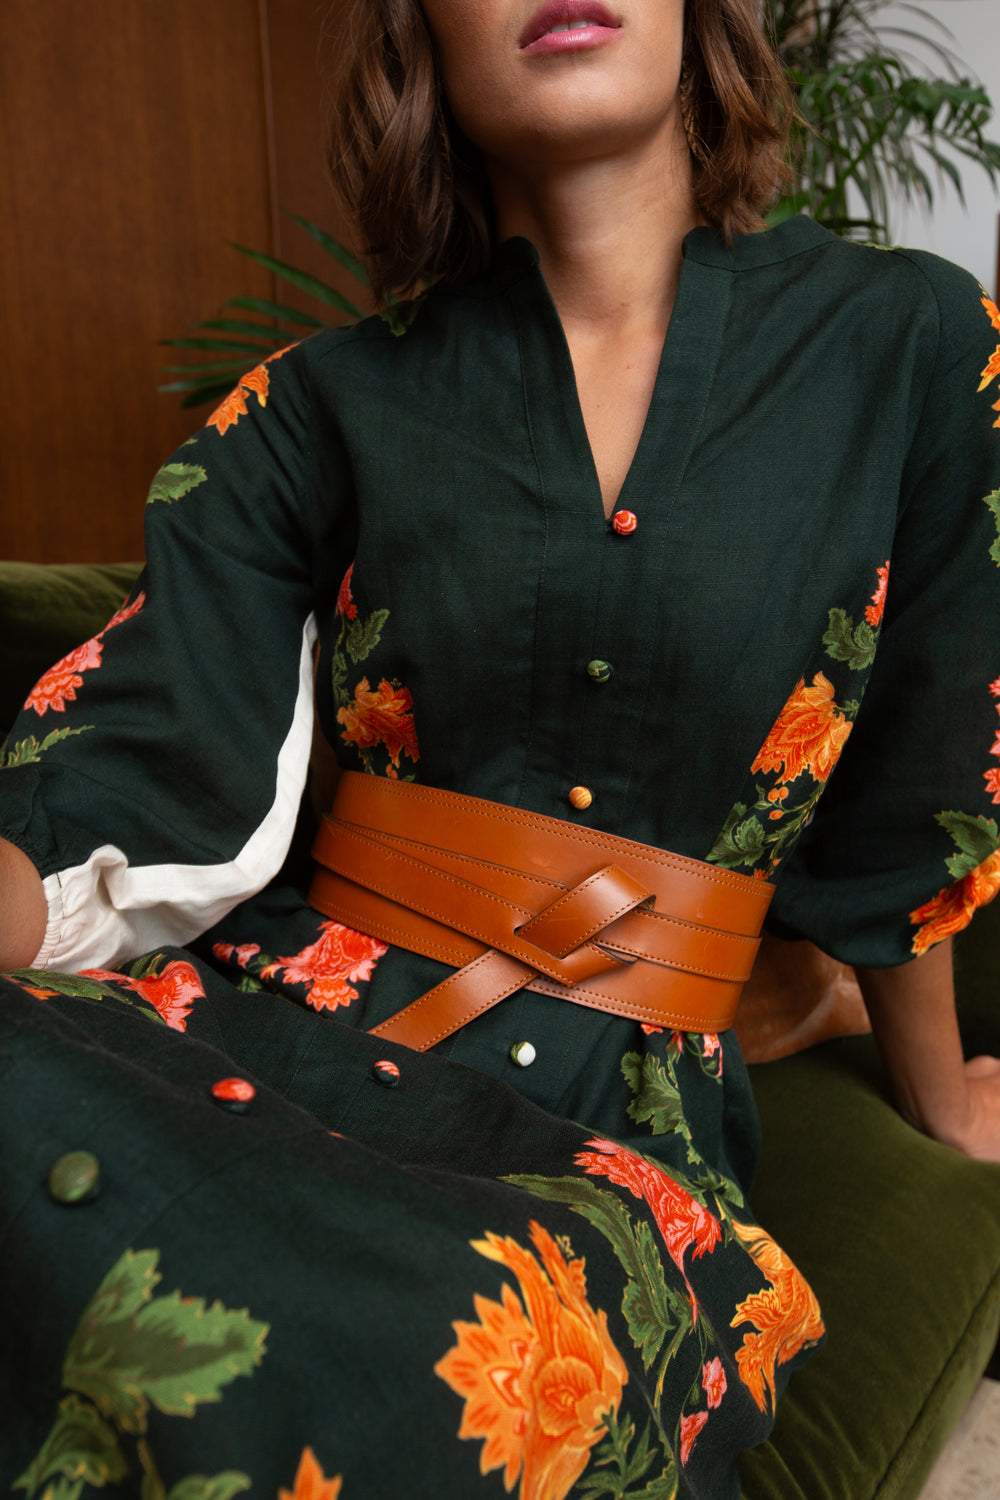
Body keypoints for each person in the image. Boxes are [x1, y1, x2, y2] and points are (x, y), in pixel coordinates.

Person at [1, 0, 999, 1494]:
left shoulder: (910, 341)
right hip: (268, 1016)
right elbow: (147, 748)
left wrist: (942, 1092)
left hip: (606, 1123)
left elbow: (924, 781)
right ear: (421, 39)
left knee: (432, 1365)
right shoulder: (311, 404)